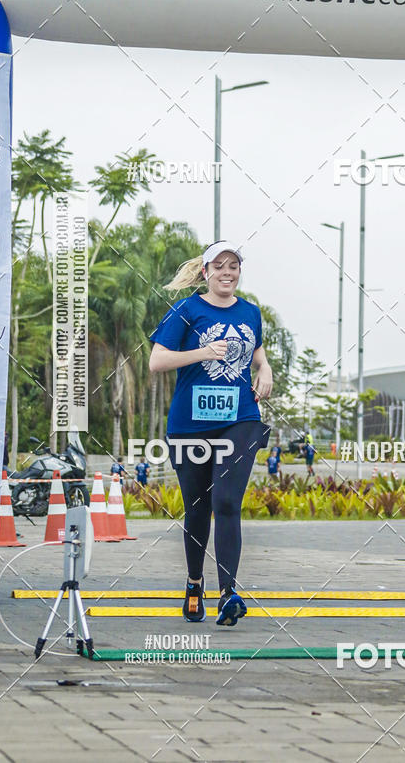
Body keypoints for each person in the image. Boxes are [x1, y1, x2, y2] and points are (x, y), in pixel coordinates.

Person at [149, 240, 273, 627]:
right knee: (198, 508)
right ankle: (194, 583)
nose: (227, 272)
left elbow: (257, 352)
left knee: (226, 501)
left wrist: (265, 370)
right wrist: (202, 353)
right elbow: (157, 361)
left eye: (233, 266)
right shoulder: (187, 310)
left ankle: (228, 593)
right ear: (205, 273)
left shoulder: (251, 312)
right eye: (218, 266)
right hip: (190, 425)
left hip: (240, 419)